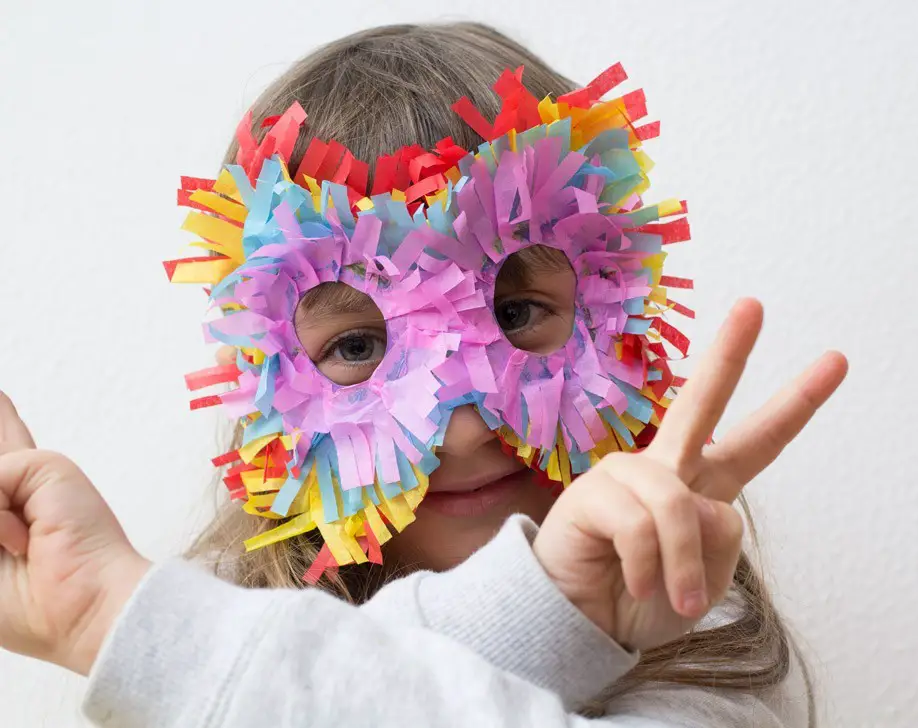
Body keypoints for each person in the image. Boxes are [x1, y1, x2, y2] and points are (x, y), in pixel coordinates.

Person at [0, 21, 848, 727]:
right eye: (358, 347)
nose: (464, 424)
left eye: (517, 315)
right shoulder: (225, 611)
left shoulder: (703, 651)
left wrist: (118, 620)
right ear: (262, 379)